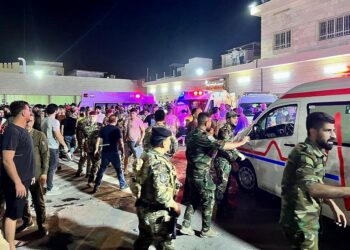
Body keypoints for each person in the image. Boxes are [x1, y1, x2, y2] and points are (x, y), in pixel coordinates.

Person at [280, 112, 350, 250]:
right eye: (328, 131)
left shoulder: (316, 152)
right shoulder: (304, 154)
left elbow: (316, 182)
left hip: (308, 217)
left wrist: (333, 206)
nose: (334, 136)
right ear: (312, 132)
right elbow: (313, 188)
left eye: (334, 130)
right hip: (300, 223)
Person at [180, 112, 249, 238]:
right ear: (206, 122)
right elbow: (223, 145)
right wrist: (241, 143)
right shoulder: (204, 137)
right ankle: (206, 230)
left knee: (194, 198)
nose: (211, 124)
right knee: (209, 198)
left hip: (191, 170)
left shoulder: (190, 135)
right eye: (210, 122)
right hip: (201, 172)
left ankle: (186, 225)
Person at [133, 127, 181, 250]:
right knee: (165, 244)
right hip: (156, 213)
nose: (170, 143)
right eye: (169, 140)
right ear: (164, 142)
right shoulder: (158, 163)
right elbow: (161, 194)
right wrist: (175, 206)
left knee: (144, 239)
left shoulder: (147, 155)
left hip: (143, 207)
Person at [1, 101, 34, 250]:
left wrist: (30, 175)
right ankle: (10, 246)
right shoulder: (12, 131)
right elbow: (7, 159)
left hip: (23, 179)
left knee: (13, 212)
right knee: (12, 214)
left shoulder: (22, 130)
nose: (31, 112)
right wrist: (18, 182)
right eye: (29, 109)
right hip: (16, 181)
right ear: (23, 113)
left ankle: (7, 241)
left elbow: (24, 156)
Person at [16, 113, 49, 236]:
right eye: (26, 120)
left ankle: (42, 225)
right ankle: (27, 220)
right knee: (23, 200)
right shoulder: (18, 135)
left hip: (36, 173)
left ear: (34, 121)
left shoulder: (39, 135)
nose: (28, 122)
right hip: (21, 175)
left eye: (31, 120)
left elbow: (45, 155)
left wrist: (44, 173)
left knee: (38, 201)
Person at [214, 111, 247, 203]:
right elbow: (225, 148)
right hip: (222, 161)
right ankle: (218, 208)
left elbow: (231, 146)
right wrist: (233, 159)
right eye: (234, 118)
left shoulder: (230, 129)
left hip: (227, 160)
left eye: (237, 118)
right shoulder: (225, 130)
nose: (236, 120)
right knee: (222, 186)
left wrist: (237, 155)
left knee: (226, 184)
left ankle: (223, 204)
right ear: (228, 119)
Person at [93, 115, 127, 192]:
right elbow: (121, 142)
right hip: (114, 152)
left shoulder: (103, 129)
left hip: (105, 152)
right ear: (116, 120)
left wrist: (96, 149)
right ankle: (122, 184)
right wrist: (123, 152)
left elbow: (98, 140)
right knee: (118, 169)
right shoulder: (117, 129)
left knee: (102, 169)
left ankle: (96, 185)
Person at [41, 104, 70, 195]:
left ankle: (47, 185)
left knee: (46, 167)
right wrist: (65, 145)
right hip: (52, 147)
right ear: (55, 111)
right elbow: (58, 135)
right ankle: (49, 188)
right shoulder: (55, 121)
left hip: (44, 146)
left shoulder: (43, 120)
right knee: (52, 168)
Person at [81, 111, 100, 186]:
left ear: (97, 117)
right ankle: (91, 179)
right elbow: (82, 138)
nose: (92, 118)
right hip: (89, 147)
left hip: (98, 147)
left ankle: (92, 179)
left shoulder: (100, 126)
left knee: (96, 163)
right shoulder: (84, 125)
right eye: (91, 116)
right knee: (94, 163)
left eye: (94, 116)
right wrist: (82, 149)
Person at [124, 108, 145, 174]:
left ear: (136, 114)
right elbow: (126, 130)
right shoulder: (128, 120)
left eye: (133, 113)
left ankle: (136, 173)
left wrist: (141, 140)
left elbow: (143, 131)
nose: (132, 114)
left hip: (136, 141)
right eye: (131, 113)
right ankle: (125, 170)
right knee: (126, 156)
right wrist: (124, 139)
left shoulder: (139, 121)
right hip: (128, 141)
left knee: (137, 157)